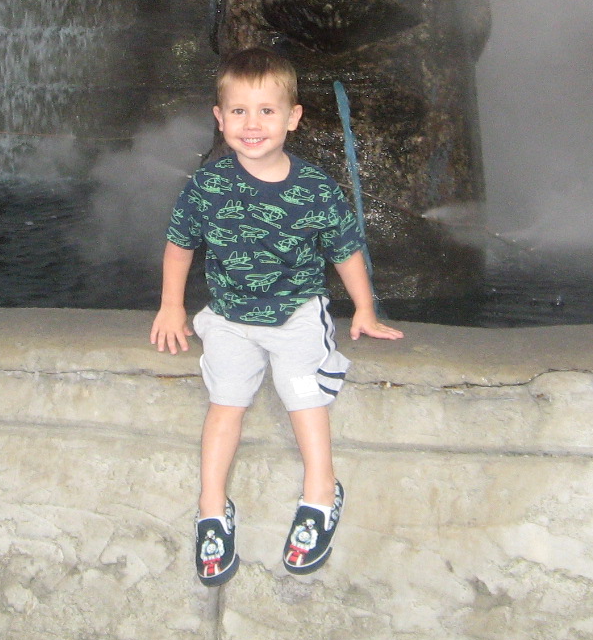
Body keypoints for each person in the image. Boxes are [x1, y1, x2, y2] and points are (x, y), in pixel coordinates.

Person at [150, 47, 403, 586]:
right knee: (225, 403)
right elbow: (179, 245)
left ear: (293, 117)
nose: (252, 124)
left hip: (295, 311)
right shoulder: (207, 185)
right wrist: (172, 306)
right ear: (220, 119)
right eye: (239, 111)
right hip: (229, 315)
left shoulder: (314, 187)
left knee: (302, 393)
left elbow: (345, 249)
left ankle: (321, 493)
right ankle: (212, 508)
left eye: (267, 111)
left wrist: (364, 308)